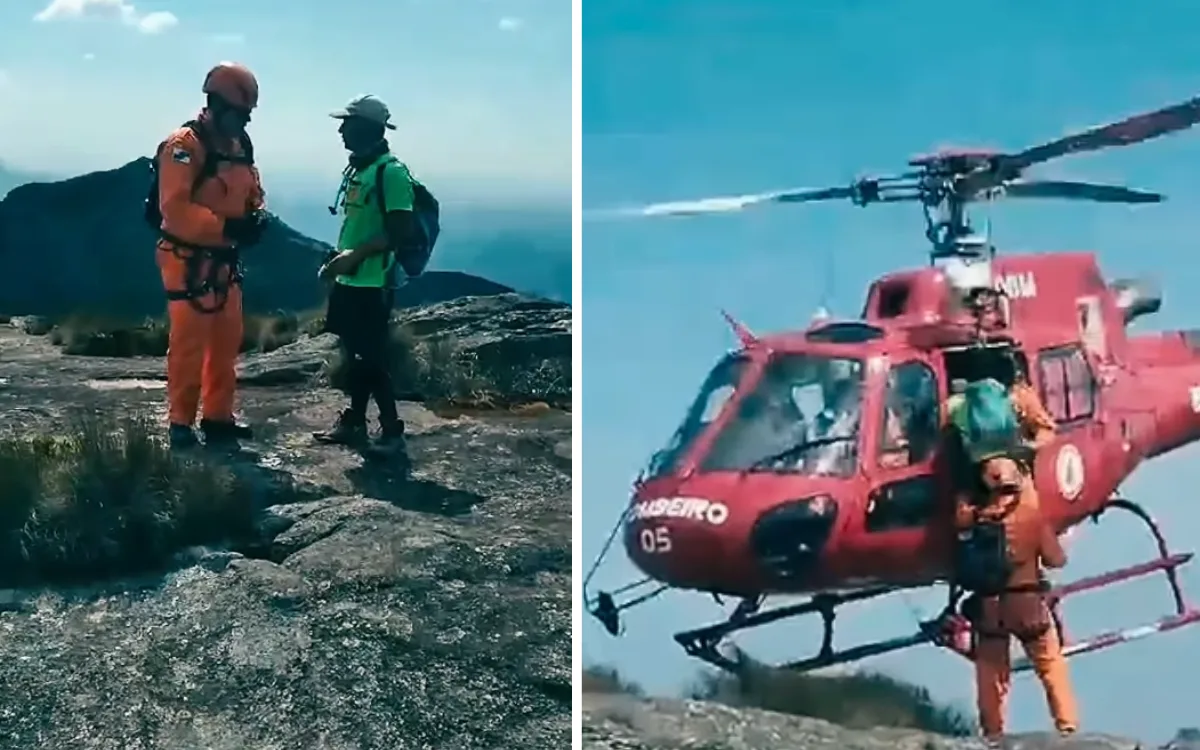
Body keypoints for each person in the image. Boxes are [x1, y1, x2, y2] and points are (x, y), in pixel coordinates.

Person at [155, 61, 268, 449]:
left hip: (224, 259)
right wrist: (225, 227)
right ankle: (180, 423)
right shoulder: (184, 146)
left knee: (226, 339)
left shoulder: (239, 147)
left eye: (247, 115)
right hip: (187, 259)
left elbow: (250, 189)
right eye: (240, 113)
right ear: (216, 104)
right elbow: (175, 207)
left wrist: (255, 216)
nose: (244, 122)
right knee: (189, 341)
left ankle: (218, 416)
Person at [313, 94, 426, 450]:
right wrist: (341, 259)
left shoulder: (390, 173)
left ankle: (390, 426)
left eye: (348, 123)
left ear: (367, 128)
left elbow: (399, 230)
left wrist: (352, 258)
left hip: (372, 282)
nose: (342, 130)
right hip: (352, 279)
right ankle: (357, 421)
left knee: (370, 356)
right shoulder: (362, 170)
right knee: (356, 354)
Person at [954, 454, 1079, 742]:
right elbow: (1055, 560)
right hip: (1026, 606)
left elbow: (959, 524)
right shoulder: (1031, 518)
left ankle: (993, 734)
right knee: (1050, 664)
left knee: (991, 674)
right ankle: (1067, 727)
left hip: (988, 608)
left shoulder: (973, 518)